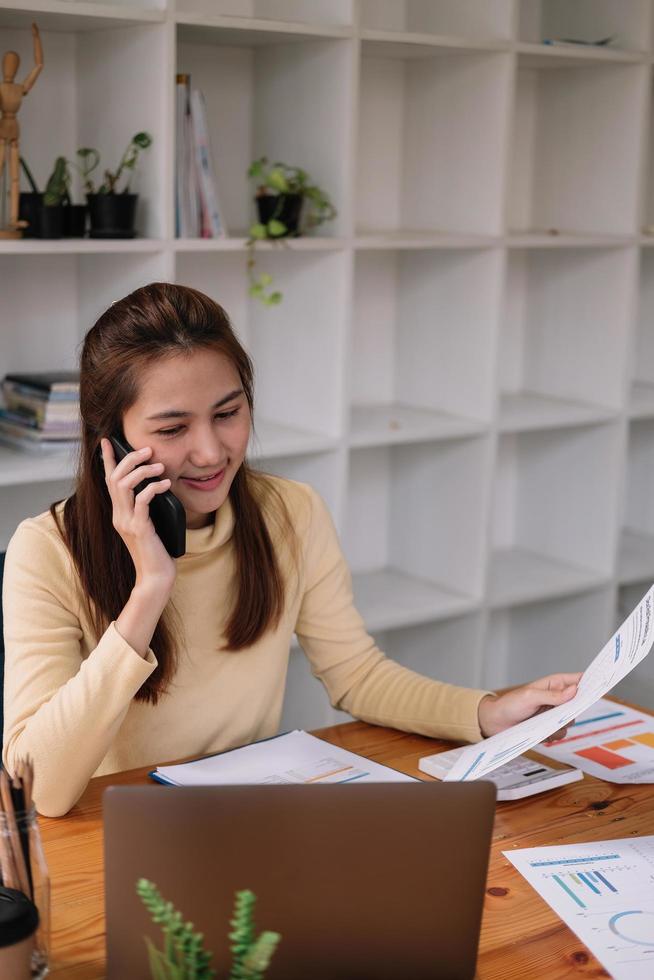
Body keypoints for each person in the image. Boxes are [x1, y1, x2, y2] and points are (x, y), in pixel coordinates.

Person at [2, 283, 581, 817]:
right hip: (111, 835)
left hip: (246, 822)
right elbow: (41, 790)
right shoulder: (46, 552)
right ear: (112, 441)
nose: (209, 452)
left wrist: (486, 713)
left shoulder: (291, 513)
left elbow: (357, 675)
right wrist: (150, 587)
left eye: (227, 414)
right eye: (174, 429)